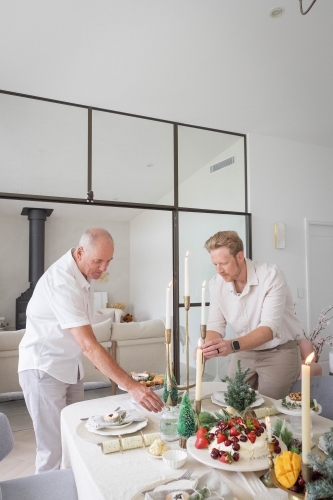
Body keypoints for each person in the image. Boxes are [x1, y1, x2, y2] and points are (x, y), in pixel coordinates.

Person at [18, 228, 163, 473]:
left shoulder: (85, 274)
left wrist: (103, 362)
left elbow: (87, 330)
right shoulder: (62, 282)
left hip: (69, 368)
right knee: (51, 451)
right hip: (43, 369)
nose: (104, 268)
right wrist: (132, 387)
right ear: (80, 252)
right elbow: (87, 344)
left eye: (108, 261)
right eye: (98, 261)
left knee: (75, 440)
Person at [201, 230, 303, 400]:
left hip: (278, 353)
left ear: (240, 256)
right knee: (232, 405)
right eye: (215, 264)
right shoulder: (216, 284)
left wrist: (231, 346)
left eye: (224, 263)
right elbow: (215, 325)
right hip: (243, 351)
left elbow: (269, 328)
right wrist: (208, 347)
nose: (219, 270)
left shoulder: (271, 275)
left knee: (269, 411)